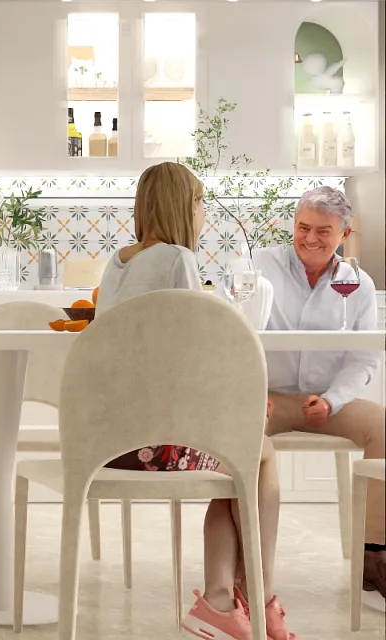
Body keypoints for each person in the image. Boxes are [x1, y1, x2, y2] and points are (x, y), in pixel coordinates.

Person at [96, 162, 300, 640]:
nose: (203, 212)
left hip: (111, 439)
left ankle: (224, 603)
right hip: (155, 443)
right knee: (257, 457)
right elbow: (197, 352)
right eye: (200, 202)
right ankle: (257, 592)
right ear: (183, 207)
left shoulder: (117, 262)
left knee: (234, 462)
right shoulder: (176, 259)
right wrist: (247, 398)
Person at [244, 186, 384, 597]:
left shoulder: (358, 284)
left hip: (325, 400)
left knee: (384, 426)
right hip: (266, 397)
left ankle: (373, 555)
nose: (309, 238)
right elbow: (232, 332)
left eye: (323, 231)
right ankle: (249, 564)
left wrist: (333, 400)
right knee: (240, 437)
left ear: (345, 233)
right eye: (303, 227)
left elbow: (363, 358)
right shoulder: (257, 265)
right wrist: (250, 389)